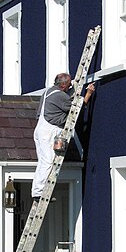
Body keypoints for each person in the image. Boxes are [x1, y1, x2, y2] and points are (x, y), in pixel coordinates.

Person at [31, 73, 95, 201]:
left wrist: (75, 86)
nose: (71, 85)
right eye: (69, 83)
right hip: (48, 131)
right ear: (63, 84)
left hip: (41, 129)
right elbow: (76, 107)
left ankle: (37, 190)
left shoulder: (49, 91)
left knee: (43, 161)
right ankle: (38, 192)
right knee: (48, 161)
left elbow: (66, 95)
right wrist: (88, 93)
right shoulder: (59, 95)